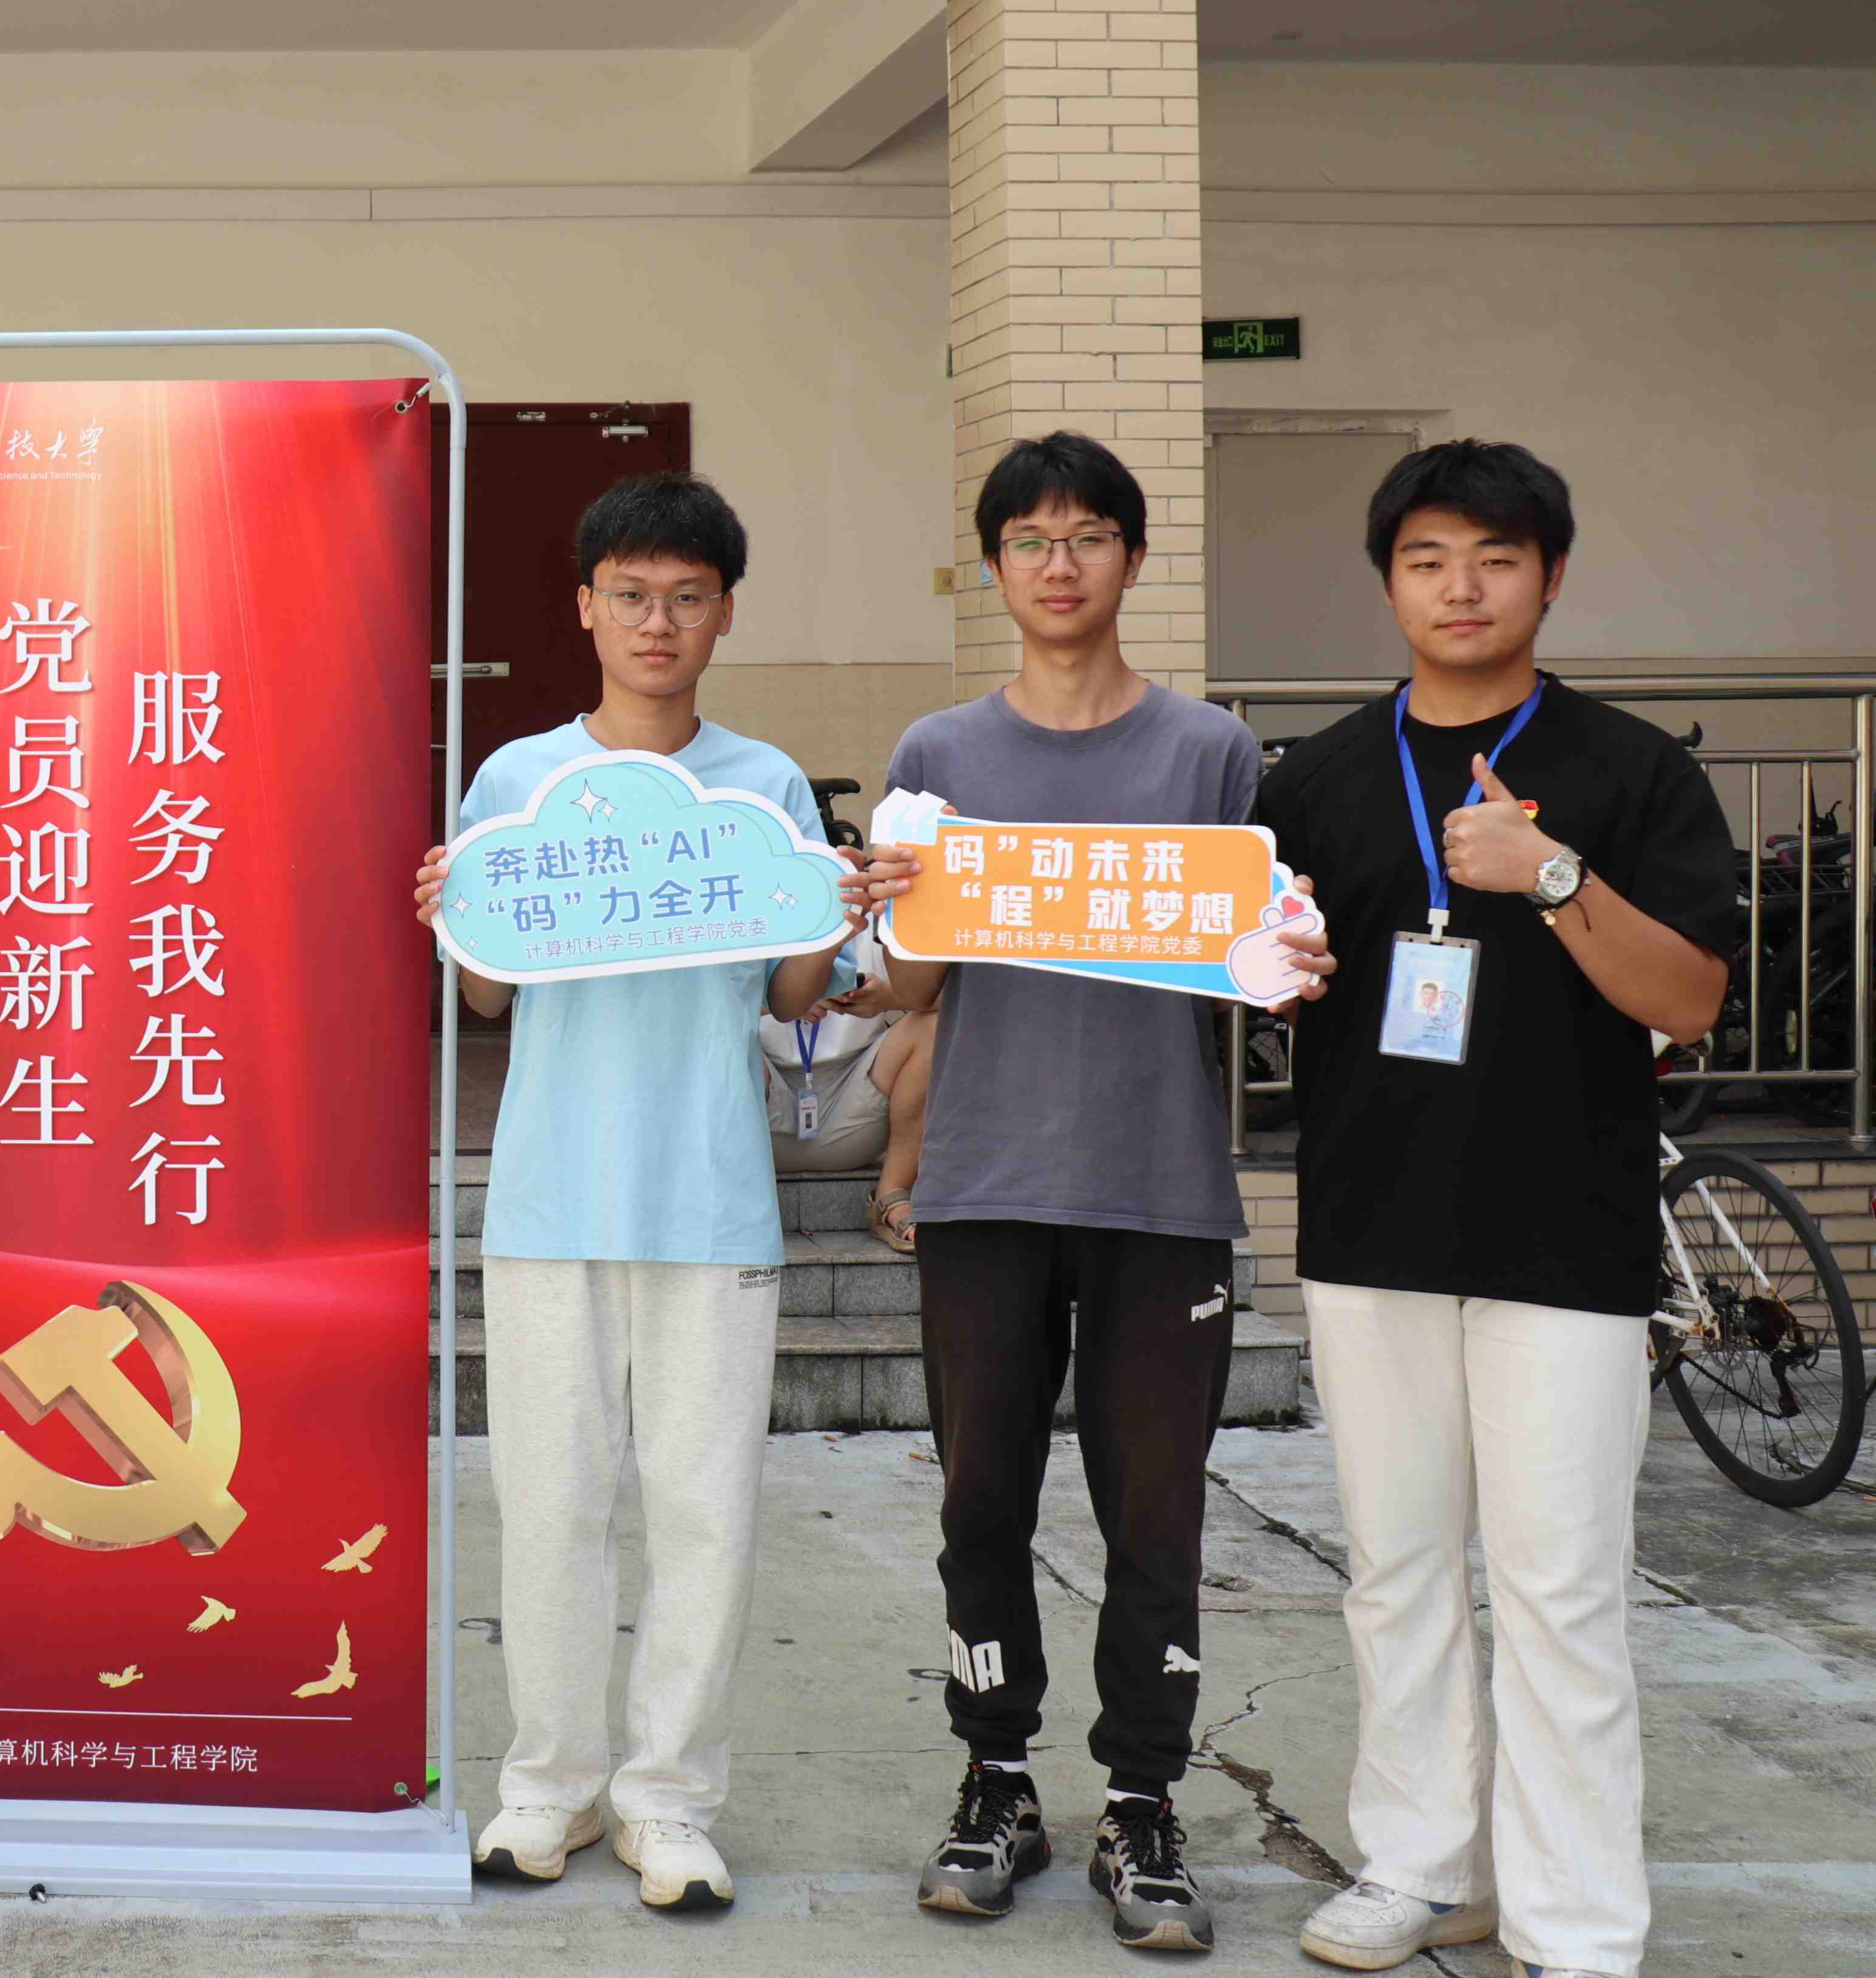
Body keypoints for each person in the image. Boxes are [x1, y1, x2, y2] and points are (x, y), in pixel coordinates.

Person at [1258, 442, 1734, 1978]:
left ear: (1551, 575)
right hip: (1370, 1221)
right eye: (1428, 559)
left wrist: (1550, 874)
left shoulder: (1633, 768)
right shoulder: (1315, 778)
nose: (1460, 587)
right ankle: (1421, 1864)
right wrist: (1273, 975)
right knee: (1396, 1571)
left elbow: (1690, 998)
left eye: (1496, 557)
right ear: (1388, 580)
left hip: (1564, 1235)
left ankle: (1576, 1922)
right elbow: (1263, 980)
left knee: (1560, 1588)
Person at [854, 431, 1332, 1955]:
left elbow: (1256, 966)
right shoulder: (939, 749)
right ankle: (994, 1774)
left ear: (1131, 555)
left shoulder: (1211, 753)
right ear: (994, 563)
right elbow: (908, 982)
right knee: (981, 1498)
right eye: (1030, 539)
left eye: (1087, 536)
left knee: (1156, 1516)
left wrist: (1292, 956)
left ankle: (1142, 1798)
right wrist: (886, 910)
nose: (1058, 564)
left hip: (1161, 1189)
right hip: (987, 1184)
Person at [410, 473, 864, 1912]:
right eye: (630, 594)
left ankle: (669, 1801)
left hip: (712, 1199)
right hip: (550, 1201)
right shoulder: (517, 780)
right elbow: (489, 996)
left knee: (703, 1513)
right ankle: (543, 1788)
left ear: (724, 613)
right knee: (549, 1506)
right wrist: (451, 917)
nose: (656, 621)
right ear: (585, 606)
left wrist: (838, 909)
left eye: (685, 596)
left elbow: (791, 991)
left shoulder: (767, 783)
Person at [759, 938, 936, 1253]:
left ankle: (892, 1192)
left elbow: (954, 995)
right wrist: (783, 1000)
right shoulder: (743, 914)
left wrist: (889, 998)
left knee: (933, 1026)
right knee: (723, 1047)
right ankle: (725, 1200)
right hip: (760, 1113)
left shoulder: (879, 915)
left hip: (860, 1098)